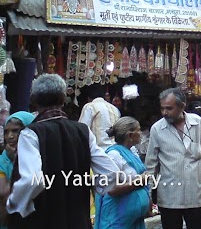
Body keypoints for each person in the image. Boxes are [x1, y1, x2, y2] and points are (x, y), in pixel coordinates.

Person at [6, 74, 119, 228]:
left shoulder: (31, 134)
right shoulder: (83, 131)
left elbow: (32, 181)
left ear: (34, 100)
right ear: (63, 98)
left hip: (44, 221)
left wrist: (14, 204)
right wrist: (89, 185)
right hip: (78, 221)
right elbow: (111, 173)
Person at [145, 88, 201, 229]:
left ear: (182, 106)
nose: (165, 113)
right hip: (169, 196)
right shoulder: (157, 129)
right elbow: (151, 164)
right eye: (162, 108)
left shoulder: (197, 123)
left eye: (169, 108)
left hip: (195, 193)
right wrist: (148, 193)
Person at [95, 117, 152, 229]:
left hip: (134, 221)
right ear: (130, 135)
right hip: (117, 219)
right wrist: (138, 182)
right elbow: (111, 189)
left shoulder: (133, 152)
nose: (141, 133)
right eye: (138, 130)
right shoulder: (114, 155)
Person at [0, 112, 35, 229]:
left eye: (15, 131)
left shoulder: (38, 158)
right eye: (6, 132)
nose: (10, 136)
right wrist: (16, 162)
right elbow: (3, 192)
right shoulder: (2, 161)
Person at [79, 83, 121, 152]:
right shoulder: (115, 109)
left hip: (98, 150)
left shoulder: (90, 106)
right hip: (115, 149)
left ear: (89, 98)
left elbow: (82, 130)